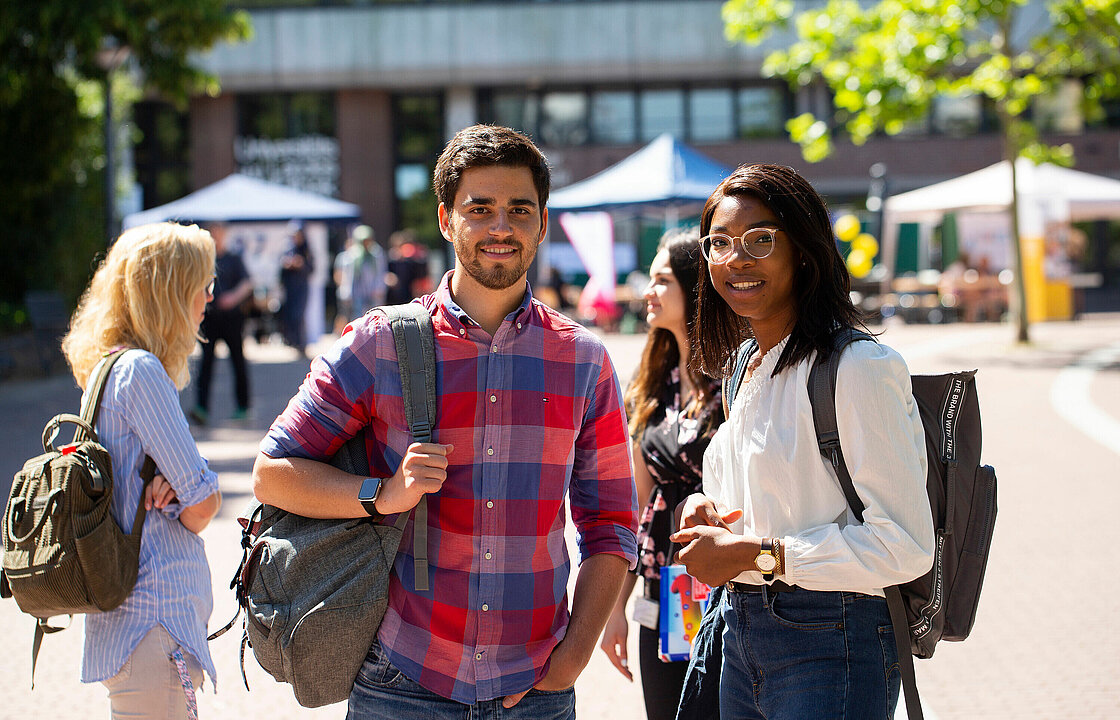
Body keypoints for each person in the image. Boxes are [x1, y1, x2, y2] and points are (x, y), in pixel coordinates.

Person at [253, 124, 638, 720]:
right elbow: (273, 473)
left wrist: (573, 658)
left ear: (541, 223)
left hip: (537, 688)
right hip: (402, 680)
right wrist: (382, 494)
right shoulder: (379, 343)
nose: (500, 227)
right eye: (479, 209)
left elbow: (611, 523)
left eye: (519, 210)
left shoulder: (583, 360)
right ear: (445, 218)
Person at [669, 164, 935, 719]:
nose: (736, 259)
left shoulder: (859, 367)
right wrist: (705, 509)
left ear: (805, 250)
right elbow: (745, 493)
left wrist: (759, 554)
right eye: (718, 243)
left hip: (832, 639)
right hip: (737, 634)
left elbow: (905, 546)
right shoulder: (745, 365)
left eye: (760, 239)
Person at [60, 222, 223, 719]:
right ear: (173, 292)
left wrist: (180, 482)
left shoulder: (107, 369)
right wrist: (190, 486)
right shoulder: (142, 372)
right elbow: (201, 508)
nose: (208, 299)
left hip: (128, 626)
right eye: (203, 285)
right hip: (156, 619)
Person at [598, 229, 724, 720]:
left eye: (661, 280)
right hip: (664, 588)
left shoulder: (737, 378)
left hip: (725, 585)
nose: (647, 291)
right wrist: (615, 609)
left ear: (695, 290)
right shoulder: (653, 382)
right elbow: (632, 506)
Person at [190, 222, 253, 425]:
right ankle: (201, 407)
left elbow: (247, 283)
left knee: (237, 360)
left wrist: (233, 298)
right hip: (209, 317)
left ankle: (243, 406)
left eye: (219, 233)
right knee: (206, 362)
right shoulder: (204, 260)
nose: (216, 237)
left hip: (231, 317)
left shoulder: (234, 258)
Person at [279, 219, 314, 356]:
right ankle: (293, 342)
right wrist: (287, 264)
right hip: (290, 288)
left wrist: (301, 265)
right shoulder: (288, 249)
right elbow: (281, 269)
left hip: (301, 288)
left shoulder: (306, 250)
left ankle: (302, 344)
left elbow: (312, 268)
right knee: (290, 316)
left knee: (299, 315)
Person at [350, 224, 388, 317]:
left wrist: (380, 288)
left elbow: (381, 271)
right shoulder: (354, 254)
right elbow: (350, 275)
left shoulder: (377, 253)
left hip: (374, 291)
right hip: (359, 292)